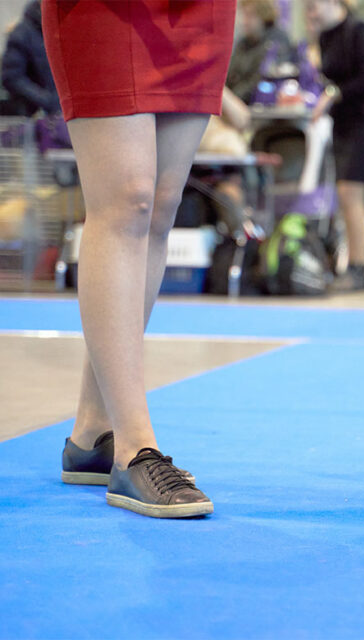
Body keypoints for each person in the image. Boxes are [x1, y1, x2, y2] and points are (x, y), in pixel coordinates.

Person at [43, 0, 235, 517]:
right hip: (105, 10)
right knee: (127, 199)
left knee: (160, 206)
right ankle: (133, 449)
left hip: (198, 12)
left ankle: (93, 432)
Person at [306, 0, 364, 292]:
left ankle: (358, 268)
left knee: (350, 191)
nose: (311, 13)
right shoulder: (325, 35)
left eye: (314, 6)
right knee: (344, 194)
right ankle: (348, 261)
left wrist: (333, 94)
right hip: (343, 122)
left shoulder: (358, 30)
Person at [225, 0, 294, 105]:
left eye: (250, 15)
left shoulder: (277, 40)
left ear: (264, 15)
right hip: (236, 103)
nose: (244, 21)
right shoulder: (243, 42)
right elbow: (229, 74)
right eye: (243, 14)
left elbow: (260, 79)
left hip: (259, 106)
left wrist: (232, 99)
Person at [0, 1, 58, 116]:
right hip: (37, 114)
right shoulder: (22, 34)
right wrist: (47, 100)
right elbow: (12, 77)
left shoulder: (58, 29)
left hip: (60, 111)